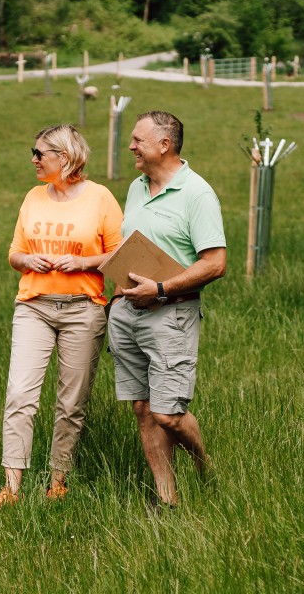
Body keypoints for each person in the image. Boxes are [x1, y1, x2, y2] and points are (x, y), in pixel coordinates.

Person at [0, 124, 124, 508]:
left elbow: (121, 255)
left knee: (71, 404)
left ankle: (58, 482)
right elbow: (14, 253)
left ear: (63, 157)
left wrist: (83, 263)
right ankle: (11, 487)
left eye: (39, 153)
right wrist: (27, 259)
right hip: (34, 306)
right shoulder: (33, 197)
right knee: (20, 395)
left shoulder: (101, 198)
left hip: (83, 310)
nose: (33, 160)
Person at [107, 110, 226, 508]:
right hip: (127, 313)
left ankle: (206, 470)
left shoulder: (197, 194)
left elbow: (215, 263)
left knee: (168, 414)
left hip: (170, 315)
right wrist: (119, 295)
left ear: (164, 145)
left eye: (137, 141)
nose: (130, 146)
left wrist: (159, 289)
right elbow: (131, 247)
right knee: (143, 409)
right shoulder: (137, 188)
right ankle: (167, 500)